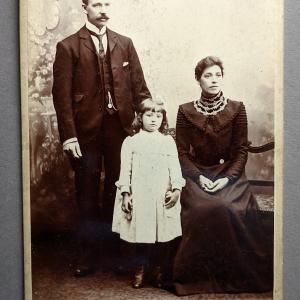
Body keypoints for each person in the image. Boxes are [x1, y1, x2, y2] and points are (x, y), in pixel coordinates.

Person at [52, 0, 151, 277]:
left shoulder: (125, 43)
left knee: (119, 190)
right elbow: (61, 97)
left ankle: (117, 252)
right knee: (87, 192)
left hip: (120, 129)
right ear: (85, 7)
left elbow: (140, 88)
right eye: (97, 3)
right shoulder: (69, 46)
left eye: (107, 3)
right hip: (85, 132)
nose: (104, 9)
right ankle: (86, 255)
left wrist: (147, 125)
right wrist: (69, 136)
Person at [173, 56, 273, 294]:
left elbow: (240, 152)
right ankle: (197, 279)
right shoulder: (185, 111)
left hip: (230, 174)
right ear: (198, 80)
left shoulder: (237, 108)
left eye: (217, 74)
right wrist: (198, 178)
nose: (213, 79)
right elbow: (181, 153)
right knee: (199, 209)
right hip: (197, 173)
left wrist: (226, 179)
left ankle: (231, 275)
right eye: (208, 75)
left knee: (226, 207)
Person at [112, 99, 185, 288]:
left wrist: (176, 190)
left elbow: (175, 169)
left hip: (161, 195)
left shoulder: (167, 142)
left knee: (162, 234)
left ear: (163, 119)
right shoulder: (131, 142)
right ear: (140, 117)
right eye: (149, 115)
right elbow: (125, 171)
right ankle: (140, 269)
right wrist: (126, 194)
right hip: (141, 195)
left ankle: (158, 269)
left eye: (158, 116)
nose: (154, 120)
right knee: (141, 235)